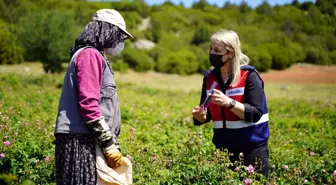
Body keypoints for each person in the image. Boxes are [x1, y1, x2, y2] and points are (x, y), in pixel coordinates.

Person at [54, 9, 133, 185]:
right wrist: (108, 142)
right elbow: (89, 104)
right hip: (80, 139)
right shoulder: (90, 55)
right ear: (106, 31)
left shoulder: (93, 55)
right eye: (118, 35)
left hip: (85, 137)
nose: (119, 42)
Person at [192, 29, 270, 179]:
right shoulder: (209, 78)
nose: (211, 53)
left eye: (217, 50)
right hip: (223, 151)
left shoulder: (249, 76)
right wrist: (199, 116)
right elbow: (206, 114)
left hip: (252, 149)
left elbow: (255, 113)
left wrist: (229, 103)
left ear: (231, 53)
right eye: (210, 49)